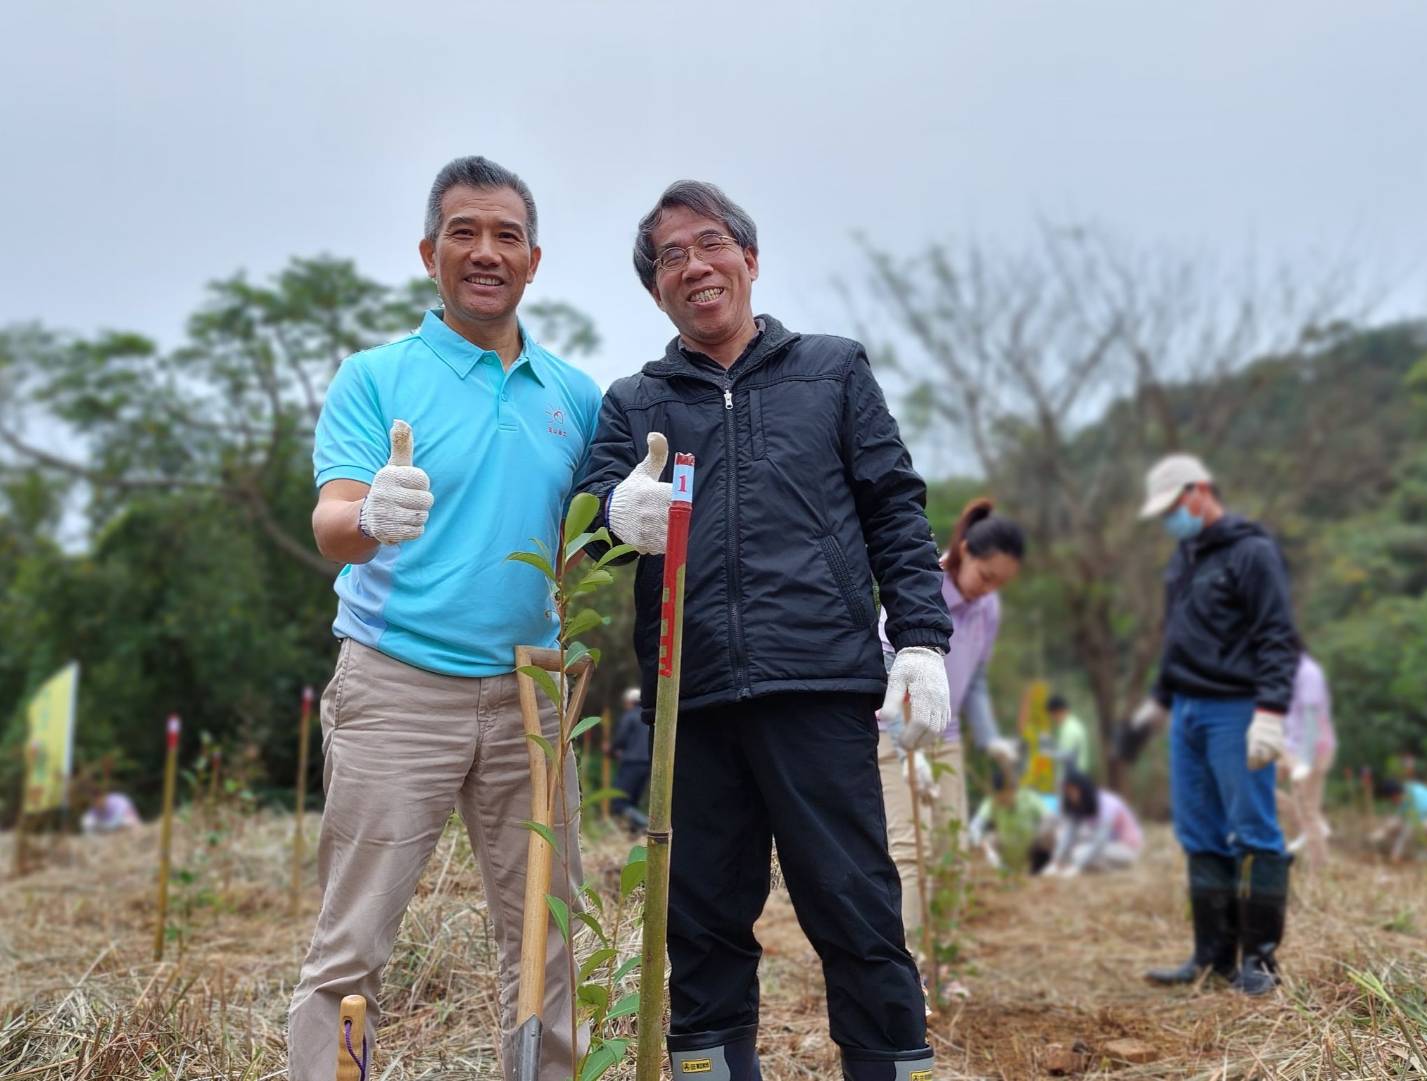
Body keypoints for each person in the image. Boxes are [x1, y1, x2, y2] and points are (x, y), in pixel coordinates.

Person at [578, 180, 950, 1081]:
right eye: (670, 257)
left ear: (748, 258)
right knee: (699, 921)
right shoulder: (635, 402)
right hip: (688, 697)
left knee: (856, 908)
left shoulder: (831, 370)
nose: (694, 265)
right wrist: (612, 514)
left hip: (818, 682)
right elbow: (587, 530)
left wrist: (921, 640)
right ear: (655, 290)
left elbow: (893, 508)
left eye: (710, 244)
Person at [287, 157, 602, 1081]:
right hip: (397, 683)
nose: (485, 251)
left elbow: (579, 549)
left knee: (547, 938)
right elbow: (333, 524)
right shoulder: (377, 377)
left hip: (532, 695)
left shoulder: (573, 397)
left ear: (534, 260)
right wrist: (368, 516)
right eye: (464, 231)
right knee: (351, 942)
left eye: (506, 234)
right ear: (429, 253)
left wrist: (624, 526)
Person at [1126, 453, 1299, 996]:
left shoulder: (1252, 553)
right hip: (1188, 712)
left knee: (1253, 830)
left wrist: (1270, 712)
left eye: (1173, 507)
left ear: (1200, 491)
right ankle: (1212, 958)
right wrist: (1156, 706)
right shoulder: (1183, 558)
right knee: (1198, 833)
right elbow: (1177, 640)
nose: (1169, 520)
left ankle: (1260, 963)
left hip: (1237, 709)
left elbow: (1277, 635)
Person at [876, 497, 1023, 995]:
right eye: (986, 575)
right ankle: (908, 972)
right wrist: (903, 746)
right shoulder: (921, 587)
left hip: (950, 738)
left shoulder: (989, 608)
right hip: (897, 731)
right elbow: (886, 660)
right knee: (908, 851)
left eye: (1000, 582)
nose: (989, 589)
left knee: (952, 852)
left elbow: (976, 681)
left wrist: (994, 741)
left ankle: (944, 964)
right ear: (963, 552)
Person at [1280, 643, 1336, 864]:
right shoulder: (1289, 672)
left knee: (1308, 810)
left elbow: (1312, 716)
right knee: (1256, 781)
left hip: (1312, 748)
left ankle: (1319, 868)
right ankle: (1317, 828)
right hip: (1292, 746)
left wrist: (1305, 759)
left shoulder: (1308, 672)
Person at [1040, 770, 1143, 876]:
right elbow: (1070, 833)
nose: (1070, 796)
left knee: (1079, 853)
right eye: (1067, 792)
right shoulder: (1078, 805)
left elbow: (1100, 840)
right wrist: (1055, 862)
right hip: (1105, 842)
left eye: (1072, 791)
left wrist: (1077, 867)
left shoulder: (1106, 804)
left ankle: (1103, 867)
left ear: (1083, 789)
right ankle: (1078, 863)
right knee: (1061, 835)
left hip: (1125, 847)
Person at [1374, 778, 1427, 863]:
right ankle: (1423, 852)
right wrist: (1381, 833)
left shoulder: (1416, 797)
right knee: (1393, 822)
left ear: (1394, 794)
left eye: (1390, 799)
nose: (1392, 802)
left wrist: (1396, 853)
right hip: (1426, 820)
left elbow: (1410, 827)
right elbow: (1398, 819)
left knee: (1420, 827)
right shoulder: (1404, 792)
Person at [610, 687, 650, 830]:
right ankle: (634, 832)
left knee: (619, 802)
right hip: (647, 764)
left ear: (629, 702)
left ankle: (646, 825)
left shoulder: (630, 716)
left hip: (631, 763)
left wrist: (610, 750)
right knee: (633, 801)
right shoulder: (648, 716)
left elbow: (620, 738)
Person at [1047, 693, 1091, 781]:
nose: (1052, 718)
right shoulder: (1072, 724)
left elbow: (1066, 755)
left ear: (1060, 711)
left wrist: (1048, 750)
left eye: (1052, 714)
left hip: (1073, 779)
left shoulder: (1069, 729)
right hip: (1076, 777)